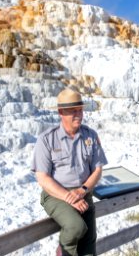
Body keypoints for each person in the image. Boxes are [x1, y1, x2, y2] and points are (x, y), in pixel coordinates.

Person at [31, 88, 108, 256]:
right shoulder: (47, 139)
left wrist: (83, 190)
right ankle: (62, 251)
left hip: (84, 194)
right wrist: (68, 197)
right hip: (56, 196)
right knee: (76, 227)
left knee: (89, 245)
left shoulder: (90, 136)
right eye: (73, 111)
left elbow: (97, 169)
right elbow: (42, 178)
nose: (78, 114)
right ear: (61, 112)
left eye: (80, 110)